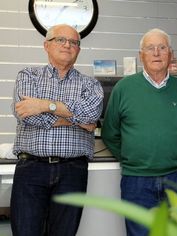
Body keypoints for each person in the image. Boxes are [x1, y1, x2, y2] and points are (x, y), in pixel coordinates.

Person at [101, 28, 177, 236]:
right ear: (141, 56)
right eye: (150, 48)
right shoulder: (123, 88)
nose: (156, 53)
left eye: (162, 47)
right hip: (137, 181)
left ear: (171, 54)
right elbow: (110, 133)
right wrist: (134, 158)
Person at [11, 24, 103, 236]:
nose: (68, 45)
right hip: (31, 169)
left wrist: (45, 105)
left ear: (78, 50)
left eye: (73, 42)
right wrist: (75, 120)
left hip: (73, 171)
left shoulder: (90, 85)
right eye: (61, 40)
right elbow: (26, 113)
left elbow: (91, 115)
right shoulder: (28, 76)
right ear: (46, 45)